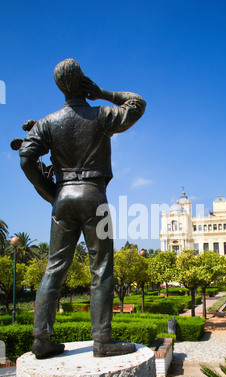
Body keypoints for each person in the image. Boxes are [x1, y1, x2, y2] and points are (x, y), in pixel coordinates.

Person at [19, 58, 146, 359]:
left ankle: (41, 339)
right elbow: (137, 104)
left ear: (59, 87)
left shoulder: (47, 123)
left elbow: (26, 158)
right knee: (101, 268)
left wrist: (50, 192)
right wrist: (101, 92)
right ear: (83, 81)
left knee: (54, 268)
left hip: (63, 197)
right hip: (93, 196)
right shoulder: (101, 115)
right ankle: (102, 340)